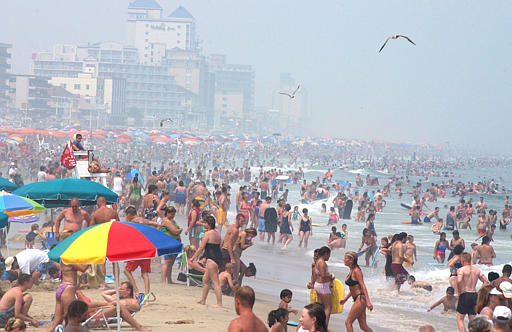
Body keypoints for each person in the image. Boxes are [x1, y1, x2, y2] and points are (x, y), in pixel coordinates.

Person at [191, 215, 224, 308]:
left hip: (211, 260)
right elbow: (216, 247)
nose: (203, 224)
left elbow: (201, 247)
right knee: (205, 280)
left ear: (209, 224)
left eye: (205, 223)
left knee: (215, 282)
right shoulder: (217, 234)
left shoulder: (207, 234)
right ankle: (203, 300)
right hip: (218, 258)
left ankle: (219, 303)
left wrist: (193, 257)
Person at [46, 262, 89, 332]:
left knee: (56, 322)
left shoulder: (64, 259)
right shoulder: (70, 259)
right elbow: (83, 268)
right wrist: (92, 259)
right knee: (70, 320)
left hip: (62, 287)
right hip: (68, 289)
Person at [340, 251, 374, 332]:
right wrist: (345, 299)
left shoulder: (356, 271)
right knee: (363, 326)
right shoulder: (351, 270)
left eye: (345, 258)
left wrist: (368, 302)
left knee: (348, 322)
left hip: (360, 299)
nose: (344, 260)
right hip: (358, 299)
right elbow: (353, 288)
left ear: (351, 260)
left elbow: (363, 286)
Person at [456, 252, 489, 332]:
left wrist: (459, 292)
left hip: (465, 294)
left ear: (463, 260)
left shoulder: (461, 270)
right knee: (472, 320)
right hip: (474, 294)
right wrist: (479, 292)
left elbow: (459, 281)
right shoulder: (476, 270)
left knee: (460, 319)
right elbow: (486, 281)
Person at [159, 206, 182, 284]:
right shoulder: (166, 221)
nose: (173, 216)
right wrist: (180, 230)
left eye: (174, 214)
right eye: (171, 214)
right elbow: (175, 231)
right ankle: (163, 281)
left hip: (174, 243)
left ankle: (169, 280)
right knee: (167, 262)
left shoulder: (172, 220)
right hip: (168, 243)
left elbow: (176, 230)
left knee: (171, 262)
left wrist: (179, 230)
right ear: (167, 213)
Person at [313, 246, 334, 327]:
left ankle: (317, 324)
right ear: (325, 254)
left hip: (318, 285)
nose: (329, 257)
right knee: (328, 307)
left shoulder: (318, 261)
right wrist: (331, 276)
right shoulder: (322, 262)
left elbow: (315, 274)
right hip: (323, 286)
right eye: (329, 255)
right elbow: (323, 275)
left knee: (320, 306)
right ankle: (324, 326)